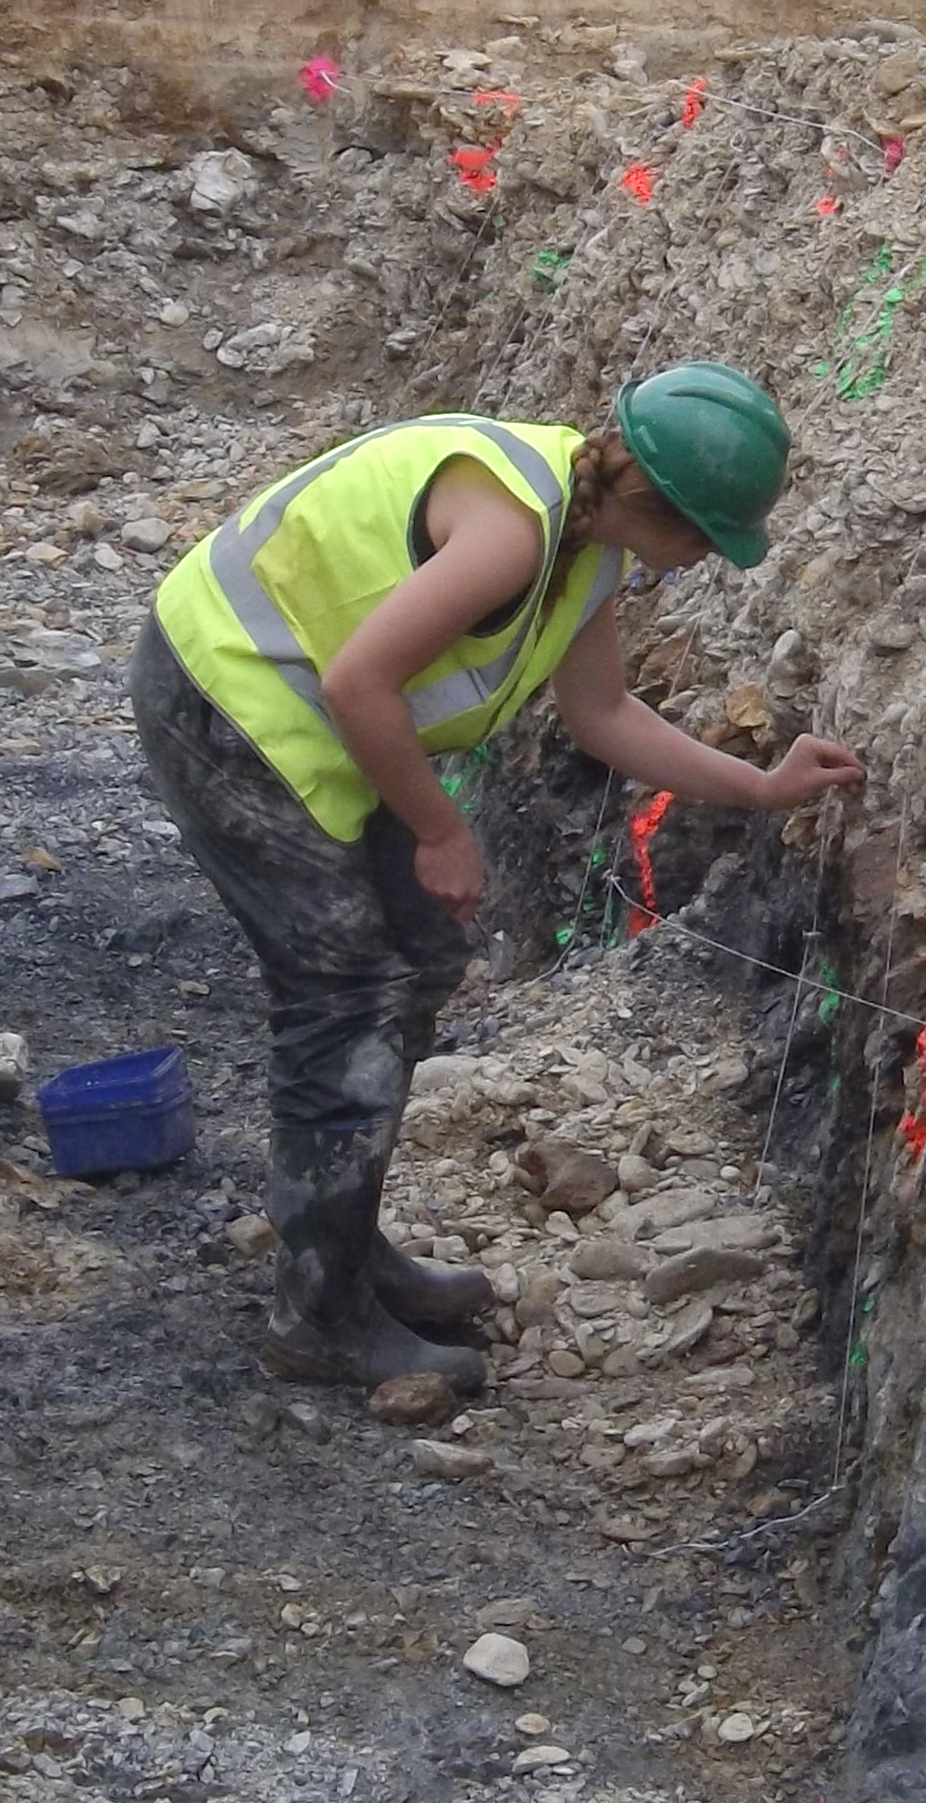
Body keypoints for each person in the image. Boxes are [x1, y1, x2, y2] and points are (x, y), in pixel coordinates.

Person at [131, 365, 864, 1391]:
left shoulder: (586, 547)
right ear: (657, 505)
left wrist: (756, 784)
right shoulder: (511, 530)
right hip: (229, 697)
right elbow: (358, 681)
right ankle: (317, 1313)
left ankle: (344, 1245)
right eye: (703, 538)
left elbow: (601, 714)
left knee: (419, 957)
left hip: (324, 714)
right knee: (343, 994)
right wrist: (440, 830)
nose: (703, 562)